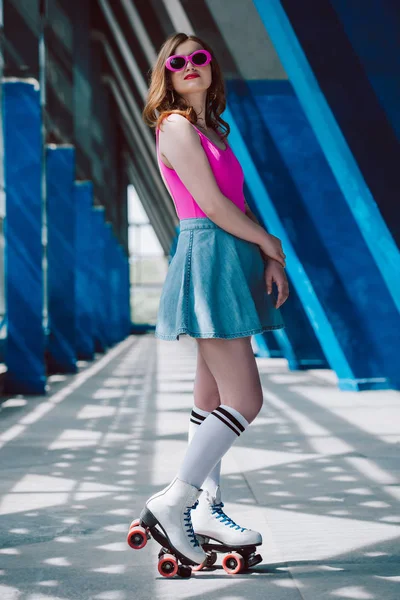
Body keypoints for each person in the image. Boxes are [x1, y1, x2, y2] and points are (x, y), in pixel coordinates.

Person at [140, 32, 289, 566]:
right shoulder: (175, 125)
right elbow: (210, 206)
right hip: (208, 255)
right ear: (167, 74)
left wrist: (269, 255)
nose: (190, 66)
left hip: (230, 256)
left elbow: (238, 204)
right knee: (245, 399)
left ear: (211, 68)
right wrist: (272, 244)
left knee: (209, 400)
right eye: (177, 62)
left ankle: (207, 506)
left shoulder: (212, 131)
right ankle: (173, 499)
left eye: (199, 58)